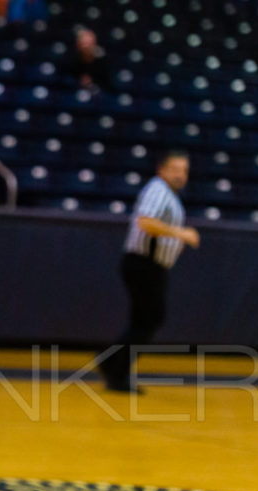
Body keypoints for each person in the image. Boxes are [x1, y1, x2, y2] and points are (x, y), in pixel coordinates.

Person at [97, 150, 199, 393]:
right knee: (150, 319)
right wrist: (180, 234)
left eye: (184, 170)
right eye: (175, 169)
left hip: (150, 265)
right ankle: (116, 371)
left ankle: (111, 362)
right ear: (161, 169)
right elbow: (146, 222)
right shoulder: (158, 190)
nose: (180, 175)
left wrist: (175, 243)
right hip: (144, 264)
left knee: (143, 320)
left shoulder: (169, 196)